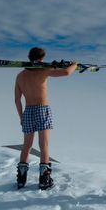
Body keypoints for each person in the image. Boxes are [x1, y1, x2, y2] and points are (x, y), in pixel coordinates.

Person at [14, 47, 77, 190]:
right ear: (41, 59)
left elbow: (17, 100)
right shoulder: (43, 70)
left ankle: (21, 179)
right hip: (42, 109)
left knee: (27, 145)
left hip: (28, 110)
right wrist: (75, 64)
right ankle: (44, 179)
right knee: (44, 145)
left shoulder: (20, 76)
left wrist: (21, 116)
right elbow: (67, 72)